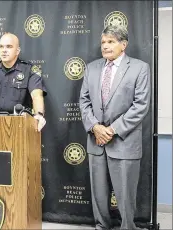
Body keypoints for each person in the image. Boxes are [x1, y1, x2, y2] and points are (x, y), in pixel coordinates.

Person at [79, 25, 151, 230]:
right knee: (99, 195)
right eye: (103, 42)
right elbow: (83, 102)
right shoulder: (91, 68)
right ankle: (102, 226)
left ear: (123, 45)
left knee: (126, 195)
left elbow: (140, 105)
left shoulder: (139, 68)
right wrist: (95, 127)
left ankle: (128, 227)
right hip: (96, 142)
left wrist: (111, 130)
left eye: (111, 42)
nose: (105, 46)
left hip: (124, 142)